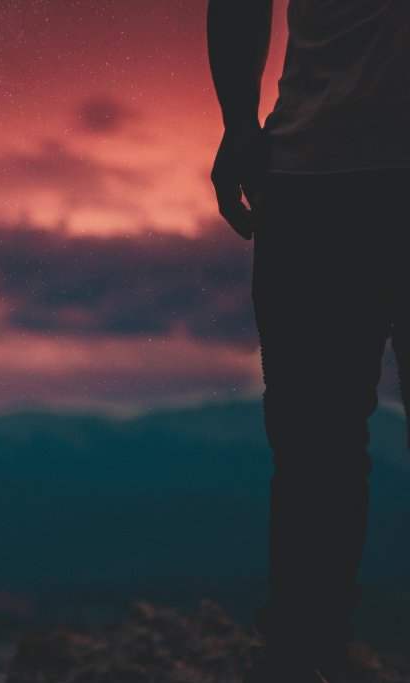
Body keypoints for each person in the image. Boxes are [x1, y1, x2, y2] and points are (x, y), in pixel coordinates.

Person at [207, 0, 410, 681]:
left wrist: (239, 126)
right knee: (314, 450)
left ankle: (304, 654)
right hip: (314, 176)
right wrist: (238, 126)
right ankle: (303, 652)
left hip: (313, 178)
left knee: (314, 453)